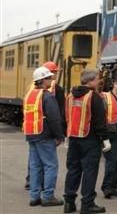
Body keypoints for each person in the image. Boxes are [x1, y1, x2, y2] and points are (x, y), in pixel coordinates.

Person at [63, 69, 108, 214]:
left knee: (73, 170)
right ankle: (87, 204)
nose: (99, 81)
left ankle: (69, 203)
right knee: (89, 171)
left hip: (74, 138)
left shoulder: (70, 95)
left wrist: (66, 134)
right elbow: (100, 121)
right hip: (90, 139)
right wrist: (105, 139)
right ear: (90, 81)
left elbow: (66, 116)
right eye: (97, 79)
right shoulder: (93, 97)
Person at [23, 66, 65, 207]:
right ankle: (48, 196)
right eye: (48, 78)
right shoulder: (47, 96)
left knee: (35, 166)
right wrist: (60, 136)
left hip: (31, 134)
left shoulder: (29, 95)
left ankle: (35, 197)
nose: (51, 80)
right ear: (42, 80)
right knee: (50, 165)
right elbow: (54, 118)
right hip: (44, 135)